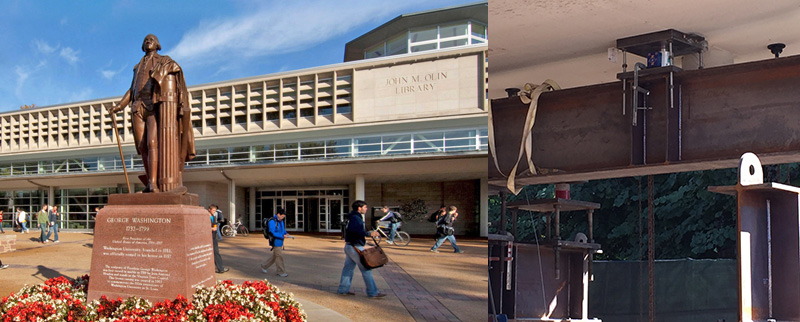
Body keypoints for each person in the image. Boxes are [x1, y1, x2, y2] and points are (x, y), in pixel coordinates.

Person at [108, 34, 195, 193]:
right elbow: (132, 89)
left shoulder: (163, 61)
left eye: (152, 40)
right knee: (143, 147)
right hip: (137, 107)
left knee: (152, 143)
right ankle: (149, 183)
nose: (148, 41)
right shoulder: (137, 67)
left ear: (158, 45)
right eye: (146, 40)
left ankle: (154, 184)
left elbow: (176, 69)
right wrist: (119, 106)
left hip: (152, 106)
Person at [337, 200, 386, 298]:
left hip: (350, 246)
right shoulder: (356, 218)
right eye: (365, 207)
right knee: (366, 268)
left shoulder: (352, 217)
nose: (366, 209)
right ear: (359, 208)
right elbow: (355, 231)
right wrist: (368, 233)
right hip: (355, 246)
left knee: (348, 268)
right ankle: (373, 292)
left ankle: (343, 290)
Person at [261, 207, 292, 277]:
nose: (283, 218)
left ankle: (264, 266)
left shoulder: (281, 221)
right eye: (282, 216)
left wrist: (286, 233)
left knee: (275, 256)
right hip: (275, 241)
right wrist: (282, 236)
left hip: (280, 241)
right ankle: (281, 272)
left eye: (284, 217)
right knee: (279, 256)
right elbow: (272, 232)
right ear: (278, 214)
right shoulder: (272, 221)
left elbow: (283, 230)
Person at [209, 205, 228, 273]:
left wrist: (215, 227)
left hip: (214, 237)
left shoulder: (213, 217)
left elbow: (215, 225)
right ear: (209, 210)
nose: (214, 212)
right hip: (208, 237)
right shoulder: (206, 217)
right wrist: (211, 228)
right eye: (213, 210)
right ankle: (220, 268)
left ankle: (221, 268)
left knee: (216, 252)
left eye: (215, 210)